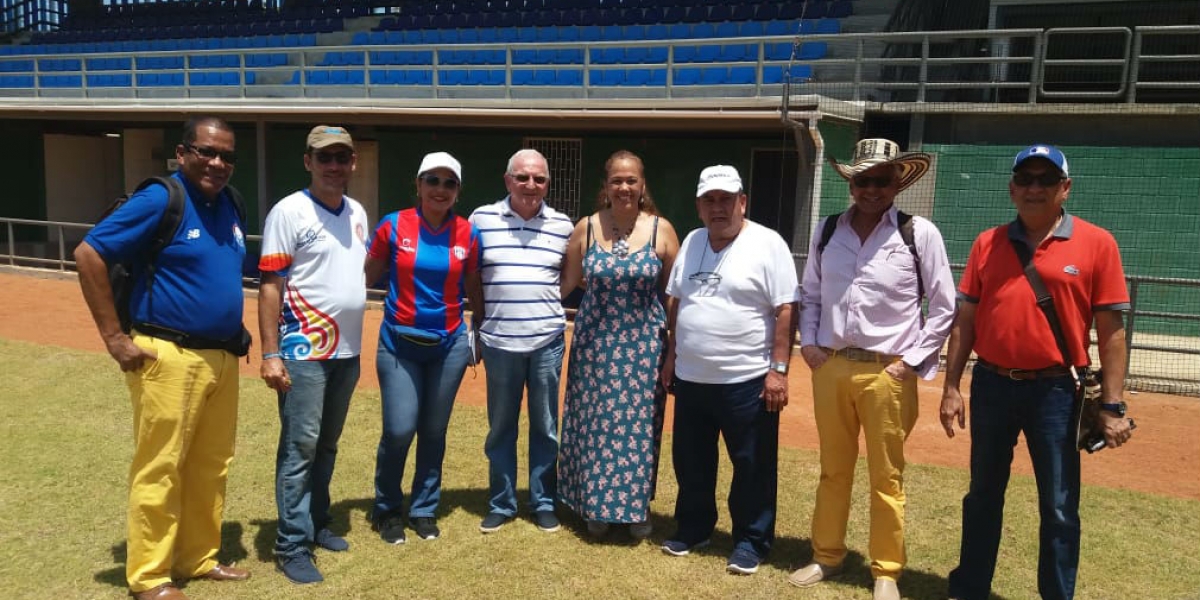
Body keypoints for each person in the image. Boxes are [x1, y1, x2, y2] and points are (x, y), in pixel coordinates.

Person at [940, 145, 1135, 600]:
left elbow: (1111, 333)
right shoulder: (987, 243)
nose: (1033, 187)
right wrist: (951, 386)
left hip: (1056, 393)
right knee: (983, 495)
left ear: (1064, 188)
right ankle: (970, 588)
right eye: (1025, 178)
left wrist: (1112, 405)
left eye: (1045, 179)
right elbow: (965, 320)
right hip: (991, 384)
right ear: (1011, 188)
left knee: (1060, 505)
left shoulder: (1097, 243)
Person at [74, 116, 251, 600]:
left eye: (227, 155)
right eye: (206, 151)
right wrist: (114, 337)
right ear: (182, 152)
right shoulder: (161, 197)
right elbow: (89, 253)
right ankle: (150, 576)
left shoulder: (229, 204)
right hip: (167, 355)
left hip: (221, 356)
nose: (217, 162)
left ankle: (198, 556)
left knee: (211, 465)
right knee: (161, 465)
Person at [791, 138, 957, 600]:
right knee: (832, 469)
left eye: (881, 181)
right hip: (833, 368)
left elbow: (943, 307)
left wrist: (909, 363)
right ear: (851, 183)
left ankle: (886, 570)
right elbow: (811, 294)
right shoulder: (828, 230)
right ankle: (825, 556)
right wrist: (810, 346)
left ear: (896, 183)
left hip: (888, 373)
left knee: (887, 475)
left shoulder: (917, 233)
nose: (871, 190)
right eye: (863, 180)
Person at [660, 165, 799, 575]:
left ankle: (751, 540)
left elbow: (785, 309)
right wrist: (671, 355)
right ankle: (694, 528)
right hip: (692, 377)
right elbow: (677, 299)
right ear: (699, 206)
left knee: (752, 465)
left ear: (743, 202)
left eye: (726, 199)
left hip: (747, 379)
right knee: (692, 460)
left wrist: (778, 371)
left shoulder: (768, 243)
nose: (717, 208)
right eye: (709, 200)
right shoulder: (692, 239)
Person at [257, 125, 369, 584]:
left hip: (347, 350)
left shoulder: (357, 211)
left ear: (352, 163)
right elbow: (270, 285)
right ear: (308, 162)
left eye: (342, 157)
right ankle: (291, 544)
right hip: (303, 350)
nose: (334, 165)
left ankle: (316, 521)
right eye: (324, 157)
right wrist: (270, 352)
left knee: (326, 443)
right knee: (299, 446)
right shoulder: (289, 211)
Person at [557, 150, 680, 539]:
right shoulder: (587, 228)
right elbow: (567, 284)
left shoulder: (663, 230)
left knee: (639, 429)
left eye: (631, 180)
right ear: (605, 185)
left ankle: (634, 509)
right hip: (595, 346)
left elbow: (673, 295)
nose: (624, 187)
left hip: (644, 349)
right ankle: (595, 507)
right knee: (594, 425)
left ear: (642, 185)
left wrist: (673, 349)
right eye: (616, 180)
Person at [365, 151, 483, 545]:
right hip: (399, 342)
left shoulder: (468, 233)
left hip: (448, 344)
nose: (440, 189)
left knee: (434, 430)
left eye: (449, 183)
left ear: (458, 191)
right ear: (417, 184)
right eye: (432, 180)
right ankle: (386, 509)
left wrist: (478, 328)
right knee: (400, 429)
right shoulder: (393, 225)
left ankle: (424, 508)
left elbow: (473, 286)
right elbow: (365, 277)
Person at [468, 149, 574, 534]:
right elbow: (472, 277)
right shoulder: (480, 219)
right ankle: (502, 501)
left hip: (547, 340)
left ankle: (543, 501)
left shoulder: (563, 225)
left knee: (545, 426)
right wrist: (481, 322)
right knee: (501, 426)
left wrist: (543, 302)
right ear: (507, 179)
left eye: (540, 179)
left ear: (548, 183)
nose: (532, 185)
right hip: (498, 341)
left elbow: (568, 276)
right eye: (523, 177)